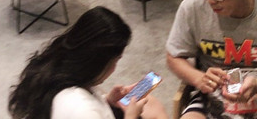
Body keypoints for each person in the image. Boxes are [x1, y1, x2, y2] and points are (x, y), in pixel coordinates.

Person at [9, 6, 168, 119]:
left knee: (150, 106)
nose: (114, 68)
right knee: (156, 111)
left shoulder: (60, 70)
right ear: (97, 62)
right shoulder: (83, 110)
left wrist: (108, 101)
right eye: (115, 61)